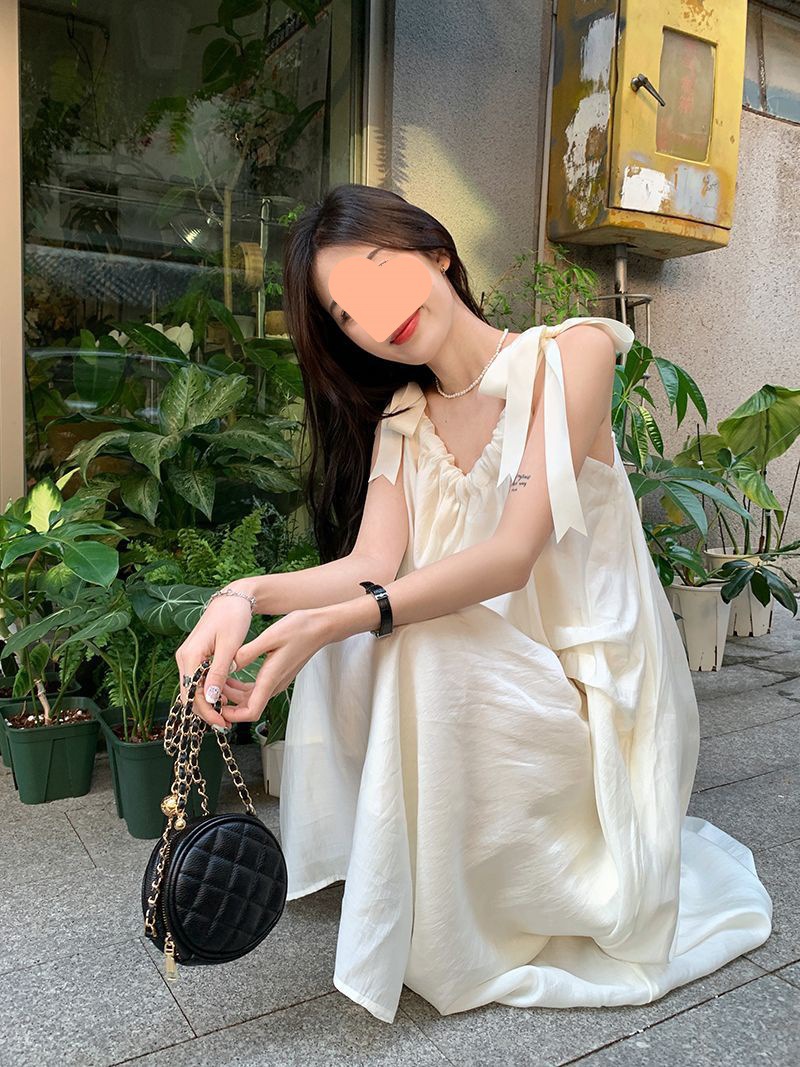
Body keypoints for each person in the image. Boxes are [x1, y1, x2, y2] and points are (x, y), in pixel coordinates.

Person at [175, 183, 773, 1025]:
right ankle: (419, 868)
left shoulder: (570, 357)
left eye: (377, 270)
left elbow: (510, 553)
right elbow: (368, 565)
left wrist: (331, 621)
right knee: (369, 628)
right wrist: (242, 596)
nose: (373, 317)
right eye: (345, 314)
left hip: (590, 689)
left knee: (400, 633)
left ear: (436, 252)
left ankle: (472, 907)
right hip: (497, 682)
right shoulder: (404, 416)